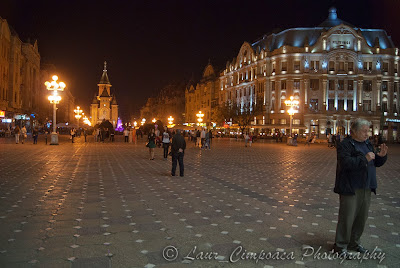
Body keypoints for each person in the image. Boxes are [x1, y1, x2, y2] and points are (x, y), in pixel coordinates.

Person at [333, 119, 388, 257]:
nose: (367, 133)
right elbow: (346, 163)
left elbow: (374, 161)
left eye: (368, 130)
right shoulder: (345, 145)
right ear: (354, 131)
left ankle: (354, 242)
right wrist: (365, 158)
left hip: (367, 186)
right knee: (347, 218)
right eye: (364, 131)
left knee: (361, 218)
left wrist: (381, 157)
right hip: (351, 187)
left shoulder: (367, 144)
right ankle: (340, 246)